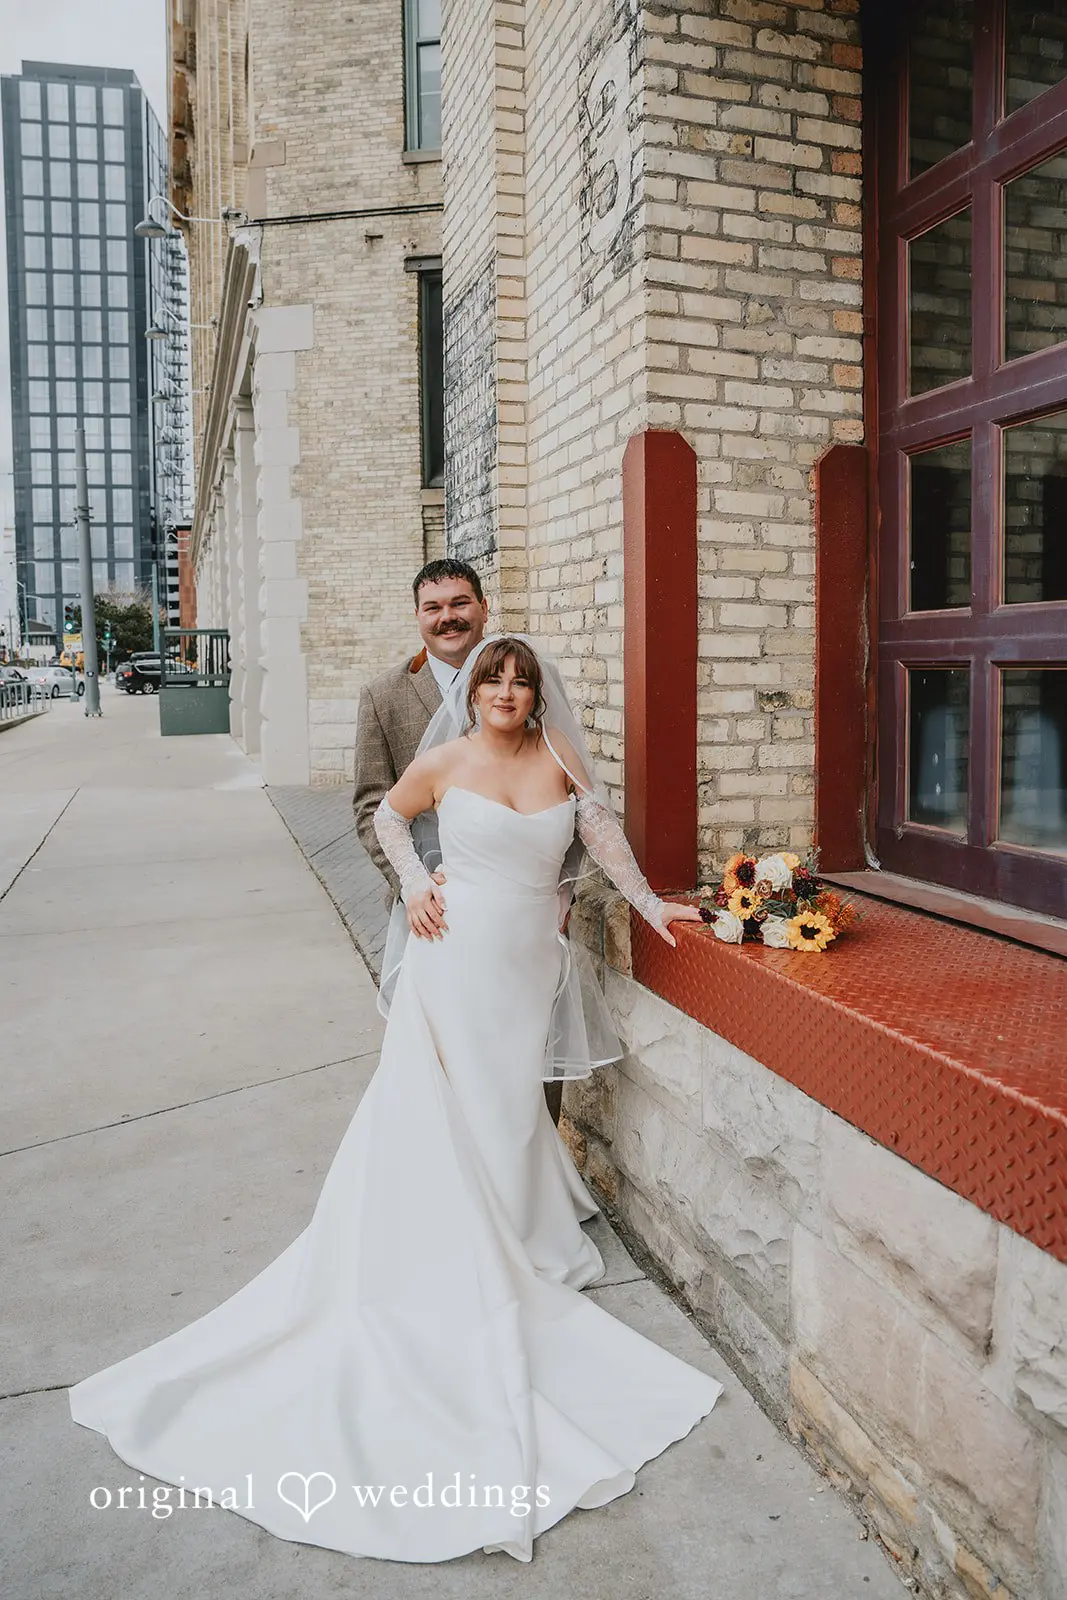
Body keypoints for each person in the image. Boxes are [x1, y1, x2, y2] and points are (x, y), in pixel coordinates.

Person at [68, 635, 722, 1566]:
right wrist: (417, 883)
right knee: (444, 1110)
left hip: (525, 968)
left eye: (519, 679)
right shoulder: (444, 757)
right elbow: (385, 820)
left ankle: (518, 1228)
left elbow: (601, 837)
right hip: (451, 963)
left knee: (505, 1108)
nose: (503, 689)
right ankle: (459, 1248)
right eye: (493, 677)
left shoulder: (559, 758)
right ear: (478, 691)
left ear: (537, 695)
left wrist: (657, 910)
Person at [354, 558, 567, 1125]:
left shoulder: (521, 683)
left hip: (525, 918)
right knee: (440, 1062)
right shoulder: (384, 695)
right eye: (434, 607)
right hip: (435, 914)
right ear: (418, 616)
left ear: (483, 607)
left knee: (529, 1049)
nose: (448, 618)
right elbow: (372, 806)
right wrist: (414, 886)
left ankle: (525, 1174)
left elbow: (561, 801)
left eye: (459, 603)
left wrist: (560, 891)